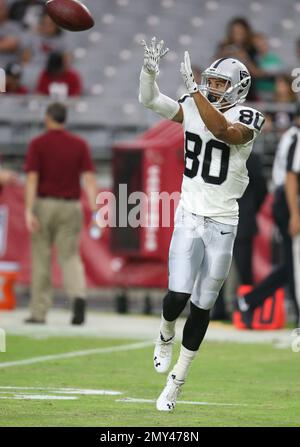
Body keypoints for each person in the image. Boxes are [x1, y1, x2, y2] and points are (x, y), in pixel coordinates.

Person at [138, 37, 265, 412]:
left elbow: (224, 132)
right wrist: (149, 73)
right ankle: (164, 334)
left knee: (203, 304)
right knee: (177, 295)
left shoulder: (249, 116)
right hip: (190, 216)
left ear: (238, 87)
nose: (213, 88)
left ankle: (177, 380)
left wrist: (196, 95)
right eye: (210, 82)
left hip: (223, 221)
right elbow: (151, 101)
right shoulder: (195, 106)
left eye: (221, 84)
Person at [24, 102, 98, 325]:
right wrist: (95, 209)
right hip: (70, 206)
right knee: (70, 257)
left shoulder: (38, 144)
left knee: (41, 258)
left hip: (44, 204)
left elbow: (31, 179)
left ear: (48, 118)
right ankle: (78, 298)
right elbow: (89, 178)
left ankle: (39, 311)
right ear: (65, 119)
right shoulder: (79, 144)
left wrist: (28, 210)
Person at [237, 104, 300, 327]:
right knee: (294, 261)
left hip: (287, 199)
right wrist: (294, 213)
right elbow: (291, 176)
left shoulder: (291, 137)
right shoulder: (295, 138)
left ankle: (250, 300)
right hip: (290, 200)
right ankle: (251, 300)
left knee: (293, 262)